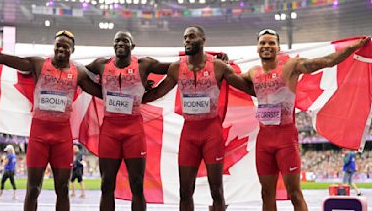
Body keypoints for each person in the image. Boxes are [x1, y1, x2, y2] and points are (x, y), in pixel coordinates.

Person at [239, 29, 370, 211]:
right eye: (263, 43)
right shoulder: (253, 73)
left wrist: (352, 48)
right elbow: (231, 78)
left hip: (286, 139)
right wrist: (221, 64)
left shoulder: (291, 66)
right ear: (257, 47)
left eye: (271, 43)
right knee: (266, 194)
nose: (267, 46)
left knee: (295, 193)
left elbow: (327, 61)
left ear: (278, 47)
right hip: (264, 141)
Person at [0, 30, 102, 211]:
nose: (61, 49)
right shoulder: (38, 64)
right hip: (38, 136)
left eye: (66, 46)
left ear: (72, 49)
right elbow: (1, 58)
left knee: (63, 189)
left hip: (62, 138)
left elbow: (101, 92)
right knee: (33, 189)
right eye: (58, 45)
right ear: (54, 46)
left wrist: (140, 92)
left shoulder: (77, 73)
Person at [142, 26, 254, 211]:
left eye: (191, 37)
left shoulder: (218, 67)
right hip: (189, 133)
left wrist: (274, 89)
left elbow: (247, 88)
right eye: (185, 37)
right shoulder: (177, 68)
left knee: (216, 191)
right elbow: (157, 93)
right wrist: (135, 97)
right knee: (185, 191)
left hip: (212, 132)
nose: (187, 40)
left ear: (203, 40)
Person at [85, 30, 170, 211]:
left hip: (133, 131)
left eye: (125, 41)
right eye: (117, 41)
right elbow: (76, 71)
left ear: (133, 46)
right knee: (106, 184)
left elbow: (177, 67)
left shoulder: (143, 64)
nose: (120, 44)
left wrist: (210, 57)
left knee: (137, 184)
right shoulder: (101, 64)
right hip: (109, 131)